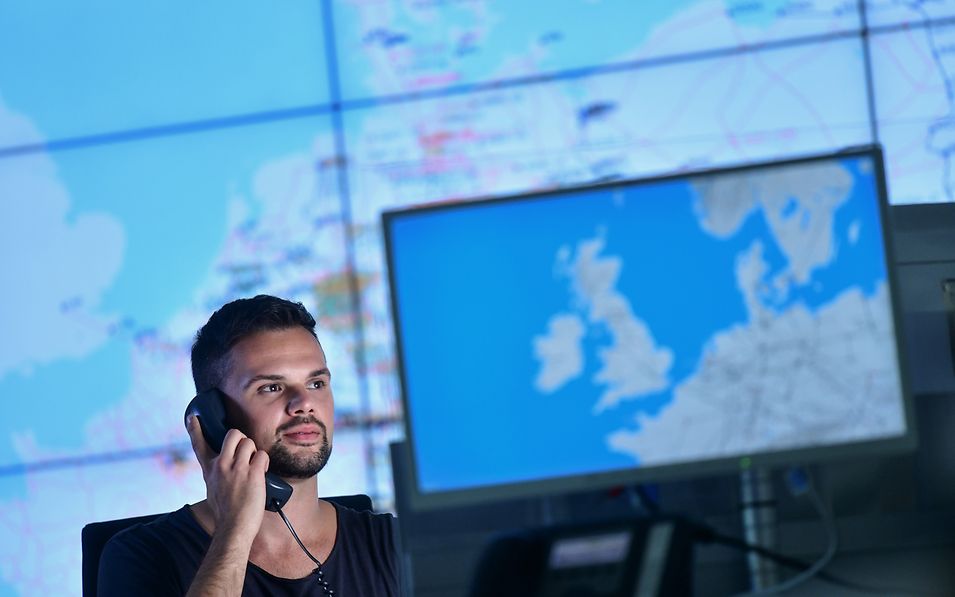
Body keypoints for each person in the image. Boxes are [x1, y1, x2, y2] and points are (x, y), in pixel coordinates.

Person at [98, 295, 402, 596]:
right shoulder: (139, 556)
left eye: (316, 383)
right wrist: (234, 532)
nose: (305, 403)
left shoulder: (392, 543)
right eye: (271, 387)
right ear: (214, 417)